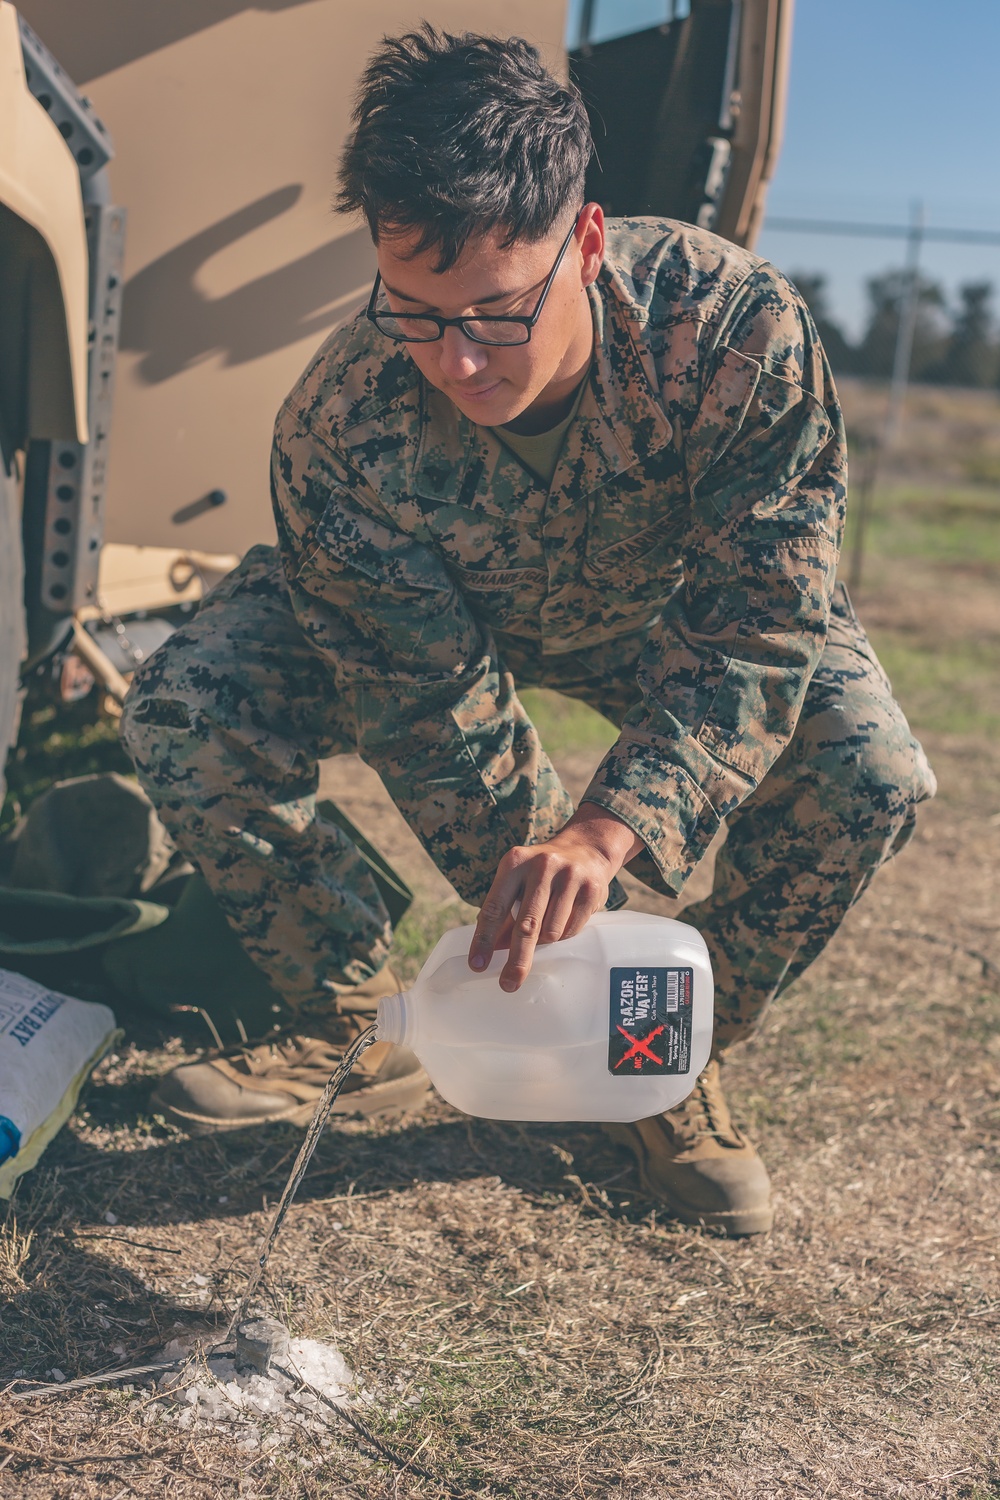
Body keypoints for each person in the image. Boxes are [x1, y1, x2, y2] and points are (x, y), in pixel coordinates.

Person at [121, 28, 935, 1237]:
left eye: (498, 314)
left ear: (587, 242)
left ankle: (664, 1050)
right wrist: (542, 910)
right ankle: (358, 1017)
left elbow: (763, 625)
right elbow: (418, 692)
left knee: (870, 774)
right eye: (414, 310)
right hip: (439, 619)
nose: (455, 360)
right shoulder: (341, 418)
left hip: (663, 616)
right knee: (186, 706)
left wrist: (609, 833)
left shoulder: (732, 334)